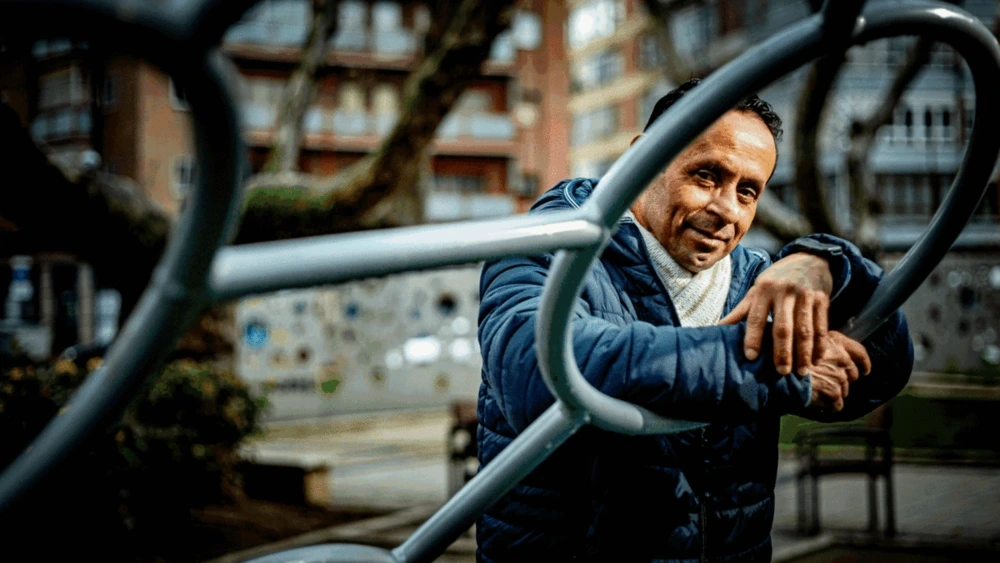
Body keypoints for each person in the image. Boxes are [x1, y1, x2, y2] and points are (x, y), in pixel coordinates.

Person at [475, 78, 913, 562]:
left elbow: (882, 367)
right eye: (706, 176)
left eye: (748, 191)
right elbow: (539, 371)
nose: (727, 210)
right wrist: (780, 368)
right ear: (642, 161)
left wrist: (831, 266)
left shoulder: (756, 280)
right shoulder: (549, 245)